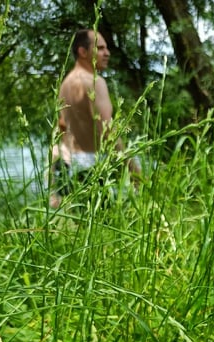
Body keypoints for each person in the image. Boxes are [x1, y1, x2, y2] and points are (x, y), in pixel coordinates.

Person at [51, 28, 140, 208]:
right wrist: (134, 173)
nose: (107, 53)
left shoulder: (65, 84)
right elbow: (108, 131)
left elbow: (60, 128)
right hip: (96, 167)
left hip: (72, 166)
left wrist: (54, 184)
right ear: (82, 52)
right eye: (100, 48)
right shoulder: (95, 82)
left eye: (106, 48)